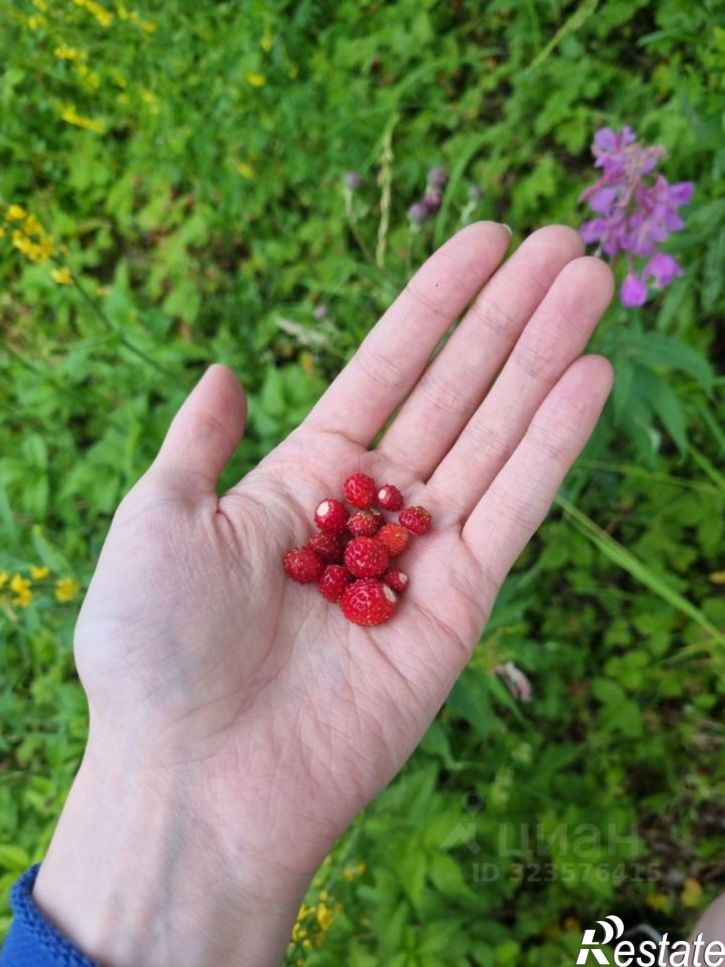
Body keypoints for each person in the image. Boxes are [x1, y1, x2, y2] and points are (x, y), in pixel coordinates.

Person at [1, 222, 619, 965]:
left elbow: (353, 549)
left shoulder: (362, 539)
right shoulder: (345, 549)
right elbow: (339, 555)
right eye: (355, 539)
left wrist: (369, 553)